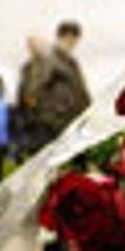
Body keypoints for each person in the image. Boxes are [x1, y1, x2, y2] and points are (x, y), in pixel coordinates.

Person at [16, 22, 91, 156]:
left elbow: (81, 92)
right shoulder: (48, 58)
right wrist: (47, 117)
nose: (72, 44)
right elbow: (32, 90)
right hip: (52, 126)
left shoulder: (71, 62)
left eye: (74, 40)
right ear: (60, 37)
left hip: (69, 124)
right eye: (69, 39)